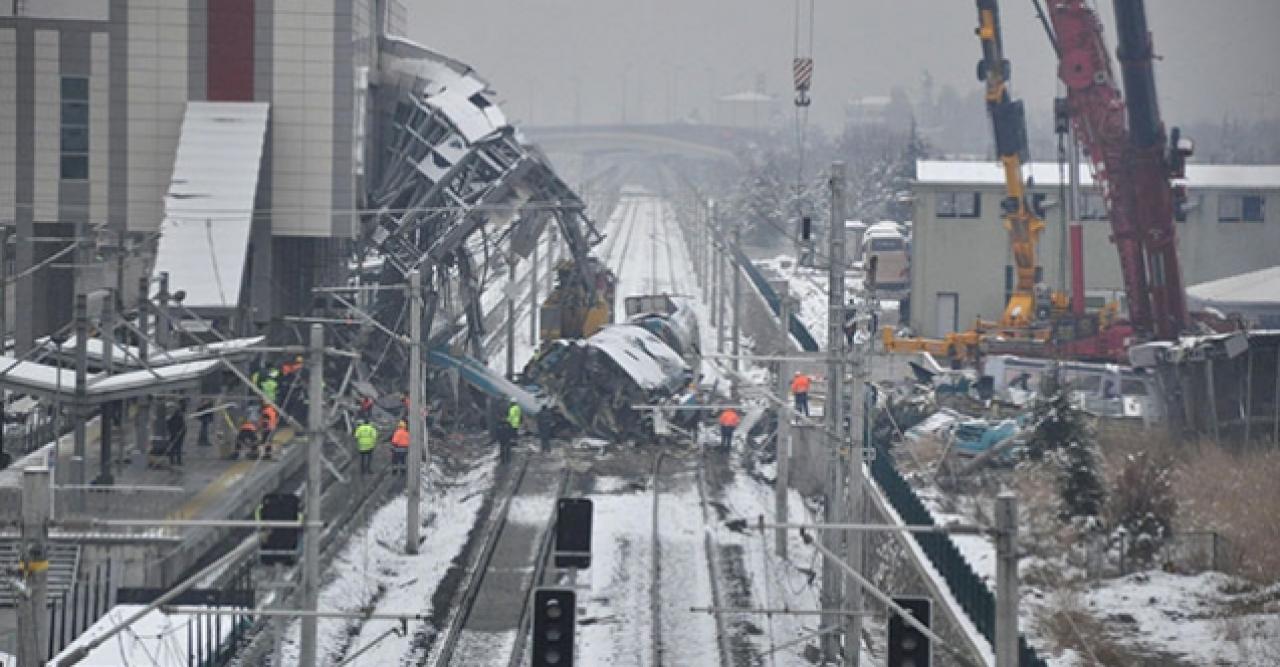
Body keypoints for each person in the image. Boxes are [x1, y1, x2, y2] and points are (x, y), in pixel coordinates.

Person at [500, 399, 522, 463]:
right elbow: (519, 415)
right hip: (516, 422)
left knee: (512, 433)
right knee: (515, 433)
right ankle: (514, 441)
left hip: (512, 423)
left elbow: (511, 416)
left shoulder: (512, 409)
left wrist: (507, 420)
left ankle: (512, 443)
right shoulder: (518, 408)